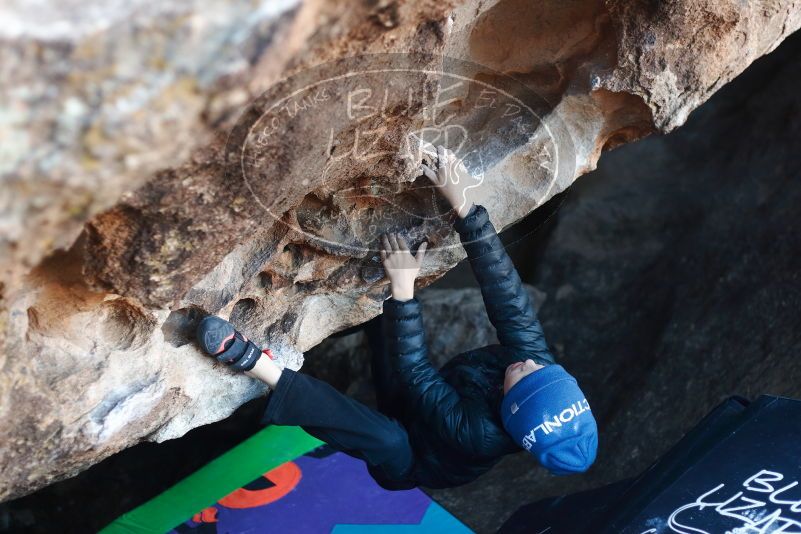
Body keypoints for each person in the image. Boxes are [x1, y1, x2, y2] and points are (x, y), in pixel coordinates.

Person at [196, 146, 598, 490]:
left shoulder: (479, 435)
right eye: (546, 371)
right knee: (379, 314)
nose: (529, 363)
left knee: (384, 436)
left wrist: (405, 290)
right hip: (425, 397)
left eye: (527, 378)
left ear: (512, 410)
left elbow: (417, 373)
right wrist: (466, 209)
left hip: (411, 455)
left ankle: (256, 364)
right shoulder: (536, 366)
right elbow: (507, 295)